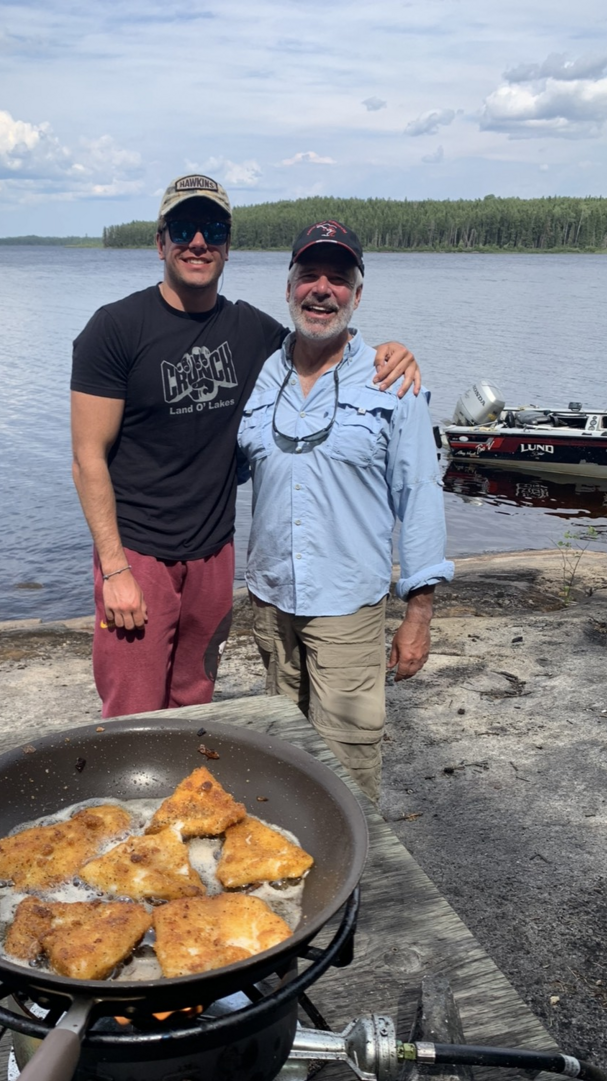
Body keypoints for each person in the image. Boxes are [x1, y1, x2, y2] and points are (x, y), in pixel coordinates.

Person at [70, 176, 421, 718]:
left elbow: (322, 338)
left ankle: (185, 804)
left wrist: (391, 352)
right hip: (138, 555)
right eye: (183, 228)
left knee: (195, 701)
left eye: (213, 229)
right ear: (160, 242)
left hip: (214, 556)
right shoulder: (114, 329)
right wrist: (115, 571)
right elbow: (87, 458)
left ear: (228, 245)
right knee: (133, 713)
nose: (198, 242)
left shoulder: (252, 333)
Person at [238, 220, 454, 802]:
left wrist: (419, 616)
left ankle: (355, 886)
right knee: (281, 755)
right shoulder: (262, 373)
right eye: (309, 276)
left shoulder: (392, 379)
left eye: (339, 279)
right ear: (288, 288)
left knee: (347, 768)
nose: (322, 290)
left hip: (349, 609)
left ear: (358, 296)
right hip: (271, 599)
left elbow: (419, 495)